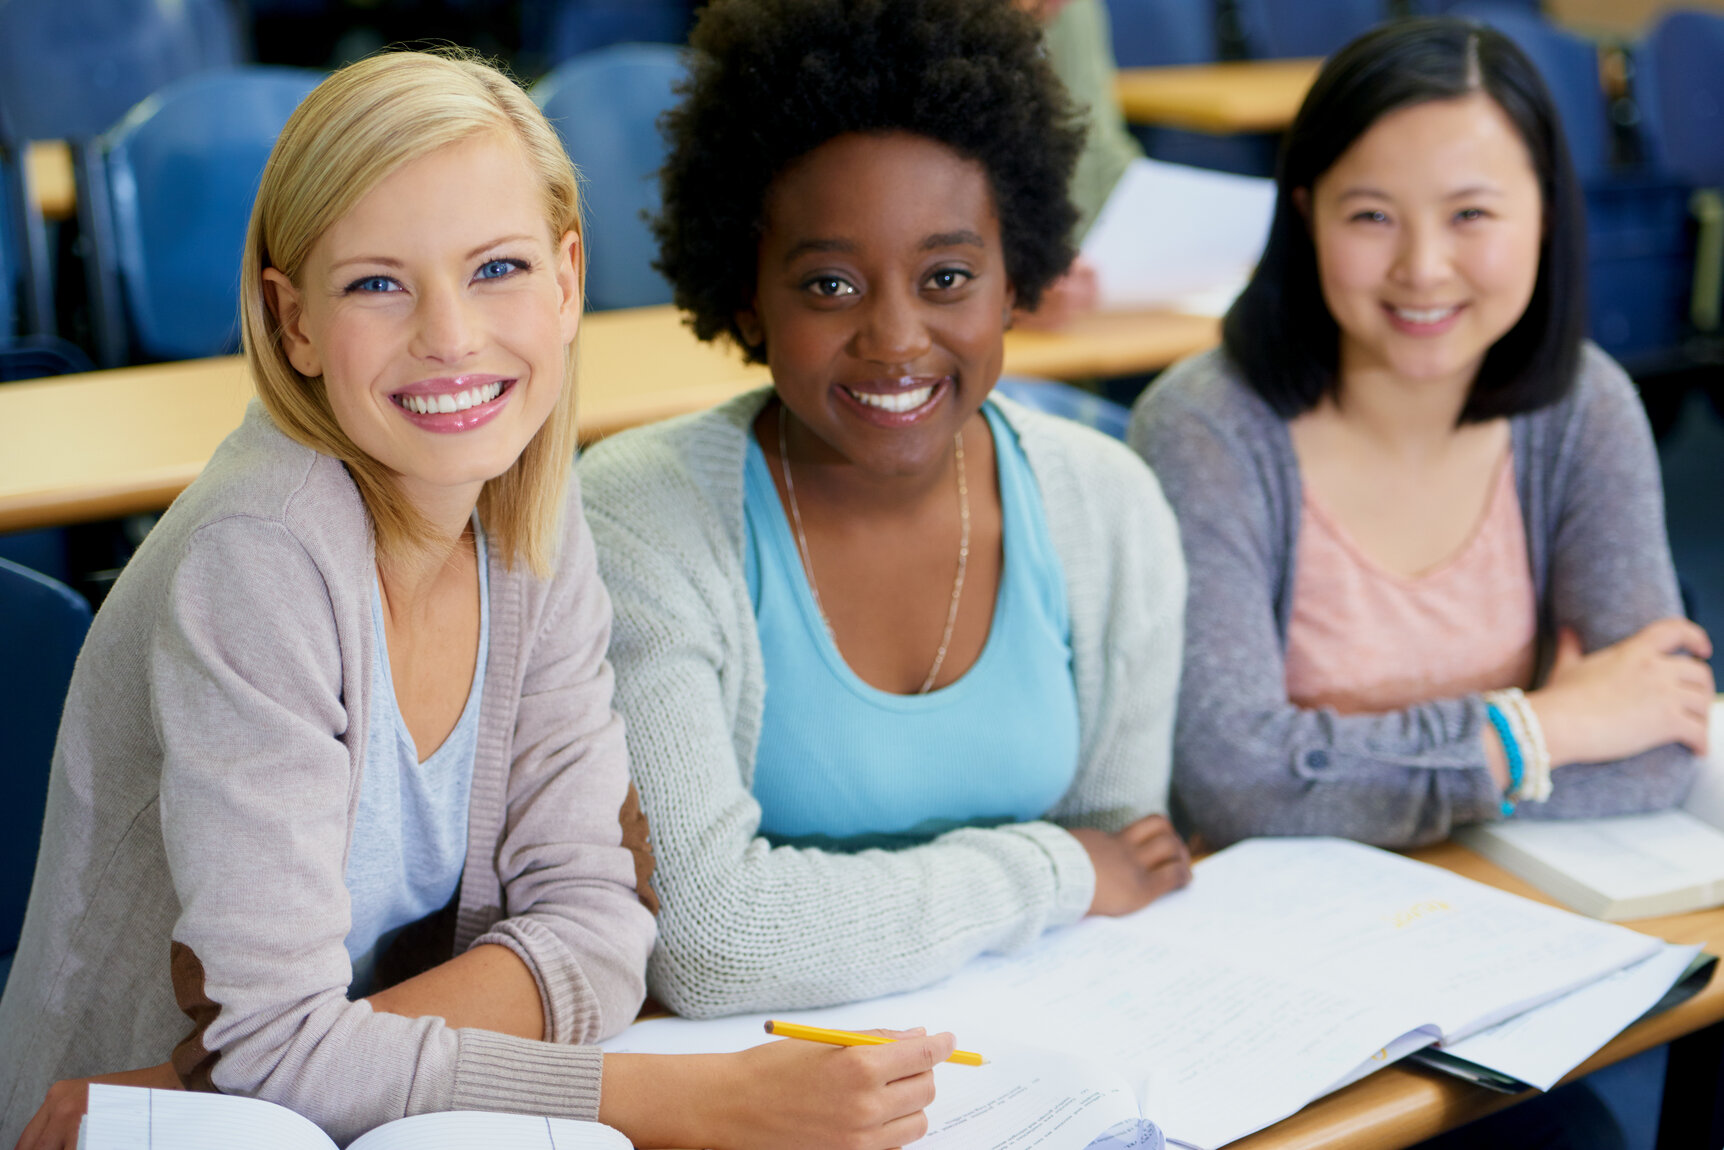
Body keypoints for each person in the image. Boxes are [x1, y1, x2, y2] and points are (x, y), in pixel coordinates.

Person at [1, 49, 952, 1150]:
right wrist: (692, 1100)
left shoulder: (528, 515)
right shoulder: (260, 556)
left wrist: (300, 1055)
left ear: (566, 278)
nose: (448, 334)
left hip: (331, 1116)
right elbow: (270, 1064)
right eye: (375, 283)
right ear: (292, 319)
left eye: (495, 268)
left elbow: (602, 932)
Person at [578, 0, 1191, 1024]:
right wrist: (1049, 870)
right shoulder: (643, 520)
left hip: (1044, 1062)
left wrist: (1082, 874)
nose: (896, 337)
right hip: (760, 1085)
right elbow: (708, 942)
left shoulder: (1107, 505)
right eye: (829, 284)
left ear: (1015, 283)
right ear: (745, 296)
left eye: (946, 276)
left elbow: (1127, 870)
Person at [1130, 18, 1714, 851]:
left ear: (1546, 214)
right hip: (1275, 930)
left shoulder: (1583, 406)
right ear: (1306, 217)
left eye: (1471, 213)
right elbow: (1237, 787)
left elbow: (1659, 744)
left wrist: (1339, 777)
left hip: (1512, 903)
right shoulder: (1207, 428)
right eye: (1371, 217)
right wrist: (1540, 732)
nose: (1423, 267)